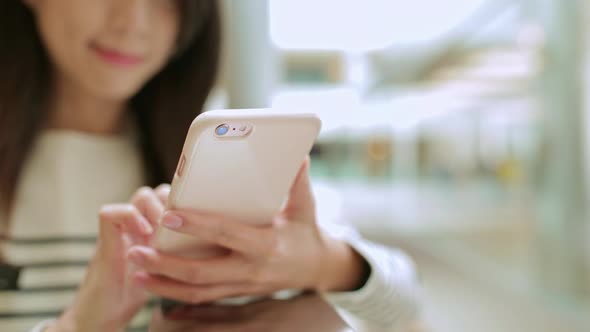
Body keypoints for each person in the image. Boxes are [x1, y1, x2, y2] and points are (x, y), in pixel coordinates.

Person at [0, 1, 420, 331]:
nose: (133, 21)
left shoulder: (218, 152)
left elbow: (404, 300)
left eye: (168, 0)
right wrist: (78, 326)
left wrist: (322, 263)